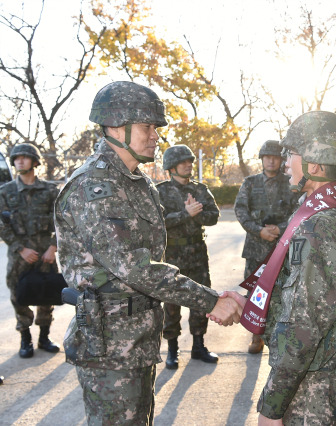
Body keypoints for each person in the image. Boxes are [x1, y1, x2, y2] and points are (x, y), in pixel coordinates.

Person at [54, 81, 244, 425]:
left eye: (156, 128)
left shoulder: (136, 182)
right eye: (147, 127)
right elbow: (136, 267)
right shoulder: (94, 186)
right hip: (109, 344)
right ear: (116, 126)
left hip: (138, 336)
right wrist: (210, 300)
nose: (155, 135)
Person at [256, 111, 336, 425]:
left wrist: (273, 405)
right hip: (322, 374)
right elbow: (323, 298)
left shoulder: (318, 225)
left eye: (291, 154)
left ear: (315, 166)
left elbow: (306, 324)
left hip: (309, 390)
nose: (286, 161)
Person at [157, 145, 221, 369]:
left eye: (190, 162)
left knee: (201, 299)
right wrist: (186, 214)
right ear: (172, 167)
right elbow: (157, 223)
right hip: (172, 255)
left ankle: (198, 345)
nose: (188, 165)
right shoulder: (160, 191)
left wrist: (198, 213)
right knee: (171, 303)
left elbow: (214, 217)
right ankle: (172, 349)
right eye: (183, 162)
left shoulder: (200, 190)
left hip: (197, 254)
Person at [234, 140, 297, 354]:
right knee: (255, 294)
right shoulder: (250, 183)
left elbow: (299, 210)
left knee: (283, 291)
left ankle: (280, 337)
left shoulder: (290, 182)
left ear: (280, 159)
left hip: (281, 248)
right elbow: (240, 210)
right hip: (255, 248)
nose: (271, 160)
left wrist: (280, 228)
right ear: (261, 159)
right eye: (267, 156)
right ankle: (256, 335)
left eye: (275, 156)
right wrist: (258, 230)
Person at [0, 143, 60, 358]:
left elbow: (60, 220)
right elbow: (1, 225)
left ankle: (44, 337)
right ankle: (25, 338)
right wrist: (20, 249)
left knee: (47, 294)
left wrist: (53, 247)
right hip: (20, 255)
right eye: (16, 158)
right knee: (18, 294)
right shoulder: (5, 192)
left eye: (25, 157)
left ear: (35, 162)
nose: (19, 161)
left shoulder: (50, 190)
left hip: (46, 252)